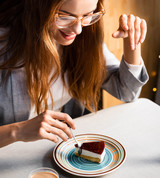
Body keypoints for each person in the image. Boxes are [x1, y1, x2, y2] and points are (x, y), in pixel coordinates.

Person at [0, 0, 148, 148]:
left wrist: (132, 43)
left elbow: (127, 92)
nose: (78, 30)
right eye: (65, 17)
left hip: (60, 147)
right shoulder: (4, 45)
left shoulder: (85, 38)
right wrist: (18, 131)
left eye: (87, 15)